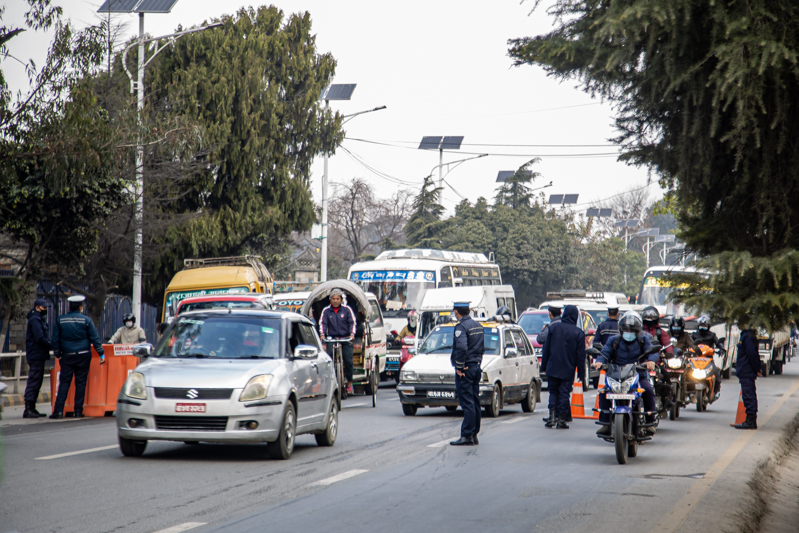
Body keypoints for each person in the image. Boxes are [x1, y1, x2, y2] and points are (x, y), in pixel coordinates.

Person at [594, 311, 658, 436]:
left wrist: (651, 361)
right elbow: (605, 353)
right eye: (626, 330)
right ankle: (605, 423)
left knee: (648, 390)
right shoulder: (614, 340)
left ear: (638, 331)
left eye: (632, 331)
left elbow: (652, 352)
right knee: (604, 392)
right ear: (621, 330)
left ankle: (650, 422)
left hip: (638, 375)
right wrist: (599, 362)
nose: (629, 333)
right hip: (617, 375)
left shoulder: (643, 340)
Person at [51, 295, 105, 419]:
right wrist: (101, 353)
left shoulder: (60, 320)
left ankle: (58, 411)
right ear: (80, 307)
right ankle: (78, 411)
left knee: (64, 382)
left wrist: (58, 354)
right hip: (84, 355)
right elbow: (94, 338)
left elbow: (55, 340)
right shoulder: (86, 320)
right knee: (80, 383)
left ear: (69, 306)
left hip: (67, 356)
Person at [540, 304, 586, 430]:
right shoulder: (578, 333)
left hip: (552, 367)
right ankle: (561, 420)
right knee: (564, 394)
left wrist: (543, 366)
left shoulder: (554, 328)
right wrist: (581, 374)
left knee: (553, 392)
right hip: (567, 369)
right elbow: (580, 356)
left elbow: (546, 349)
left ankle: (551, 417)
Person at [449, 302, 485, 446]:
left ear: (456, 312)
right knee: (475, 401)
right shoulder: (478, 326)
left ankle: (467, 435)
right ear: (469, 311)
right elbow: (482, 348)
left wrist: (460, 366)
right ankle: (474, 434)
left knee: (467, 402)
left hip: (466, 369)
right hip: (475, 367)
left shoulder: (461, 327)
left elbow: (462, 347)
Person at [319, 289, 357, 395]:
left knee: (348, 360)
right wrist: (322, 335)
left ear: (341, 300)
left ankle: (349, 382)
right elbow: (323, 323)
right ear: (330, 300)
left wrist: (352, 334)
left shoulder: (347, 310)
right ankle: (330, 381)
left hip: (346, 338)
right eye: (333, 299)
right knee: (329, 358)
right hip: (332, 338)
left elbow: (352, 323)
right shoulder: (326, 311)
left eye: (337, 299)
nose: (335, 301)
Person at [23, 298, 52, 418]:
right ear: (37, 307)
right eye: (43, 308)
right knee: (34, 381)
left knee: (37, 381)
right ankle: (29, 409)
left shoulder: (38, 319)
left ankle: (32, 408)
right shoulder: (35, 320)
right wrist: (52, 345)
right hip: (36, 355)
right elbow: (39, 338)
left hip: (38, 355)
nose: (45, 310)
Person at [734, 326, 761, 429]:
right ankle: (750, 419)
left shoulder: (748, 336)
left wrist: (757, 368)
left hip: (747, 371)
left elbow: (752, 354)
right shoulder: (746, 335)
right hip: (746, 371)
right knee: (748, 395)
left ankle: (751, 421)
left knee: (749, 395)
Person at [691, 316, 723, 398]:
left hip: (708, 360)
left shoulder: (712, 335)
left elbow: (718, 344)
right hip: (695, 360)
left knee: (716, 374)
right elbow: (689, 343)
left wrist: (721, 349)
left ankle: (716, 391)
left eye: (705, 326)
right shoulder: (694, 335)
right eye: (701, 326)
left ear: (708, 327)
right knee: (686, 373)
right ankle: (687, 391)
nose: (703, 328)